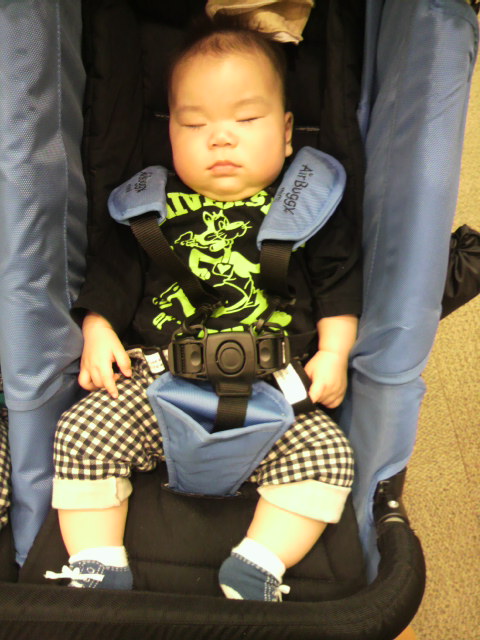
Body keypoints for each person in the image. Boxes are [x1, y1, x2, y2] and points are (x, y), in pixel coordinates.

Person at [46, 17, 361, 601]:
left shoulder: (309, 205)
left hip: (275, 392)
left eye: (247, 120)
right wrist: (97, 329)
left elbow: (339, 285)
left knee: (329, 454)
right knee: (81, 432)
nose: (220, 138)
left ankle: (259, 562)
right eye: (195, 123)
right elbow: (112, 279)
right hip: (156, 382)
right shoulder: (149, 209)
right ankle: (96, 561)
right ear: (171, 134)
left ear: (286, 132)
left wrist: (335, 352)